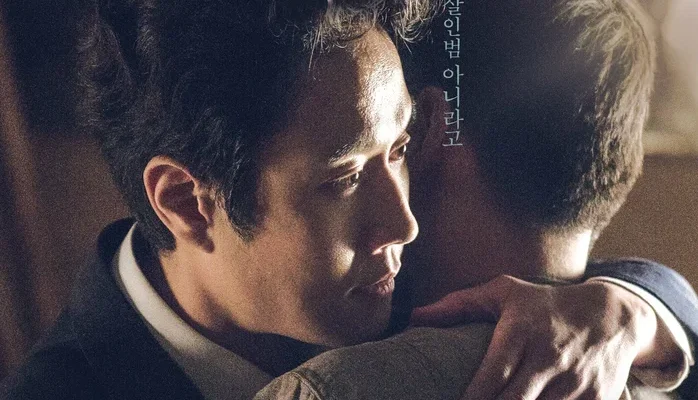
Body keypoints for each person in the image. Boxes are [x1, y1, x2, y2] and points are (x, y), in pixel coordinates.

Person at [0, 1, 694, 399]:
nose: (406, 223)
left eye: (401, 147)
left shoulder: (386, 293)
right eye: (344, 178)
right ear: (186, 201)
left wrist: (632, 311)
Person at [256, 0, 698, 398]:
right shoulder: (652, 359)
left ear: (426, 128)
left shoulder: (327, 385)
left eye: (397, 142)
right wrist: (640, 306)